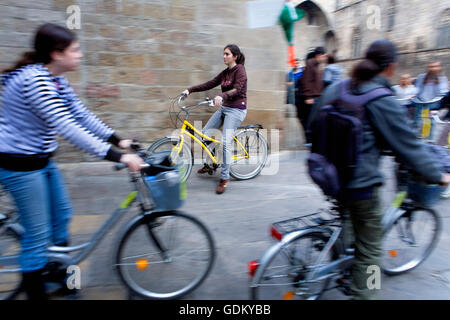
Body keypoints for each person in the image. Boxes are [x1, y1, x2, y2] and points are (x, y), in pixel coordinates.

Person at [0, 23, 143, 300]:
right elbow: (67, 127)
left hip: (40, 159)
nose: (79, 55)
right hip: (20, 165)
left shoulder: (55, 79)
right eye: (74, 50)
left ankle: (55, 275)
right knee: (37, 236)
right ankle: (36, 293)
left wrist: (118, 139)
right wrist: (117, 156)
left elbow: (81, 115)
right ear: (56, 54)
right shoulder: (35, 80)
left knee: (61, 216)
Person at [309, 39, 450, 300]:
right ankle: (367, 293)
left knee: (350, 223)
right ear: (391, 67)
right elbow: (410, 147)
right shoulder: (382, 99)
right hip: (359, 186)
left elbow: (313, 122)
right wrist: (439, 176)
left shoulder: (339, 87)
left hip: (327, 175)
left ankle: (344, 268)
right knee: (371, 251)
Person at [182, 44, 247, 195]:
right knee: (204, 134)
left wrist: (222, 96)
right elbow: (209, 84)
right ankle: (211, 163)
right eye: (223, 54)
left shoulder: (240, 70)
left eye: (227, 54)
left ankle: (224, 178)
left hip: (237, 110)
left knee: (225, 142)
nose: (224, 56)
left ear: (235, 56)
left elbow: (237, 89)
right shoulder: (225, 73)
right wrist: (189, 90)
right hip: (225, 108)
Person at [296, 46, 328, 141]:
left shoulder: (318, 65)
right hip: (311, 98)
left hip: (317, 97)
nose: (325, 58)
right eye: (324, 56)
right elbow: (307, 81)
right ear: (319, 55)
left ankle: (312, 138)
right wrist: (308, 96)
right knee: (310, 120)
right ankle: (308, 139)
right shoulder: (310, 63)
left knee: (314, 119)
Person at [413, 62, 449, 138]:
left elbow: (442, 92)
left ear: (439, 67)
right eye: (431, 66)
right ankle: (418, 139)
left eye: (435, 66)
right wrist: (415, 95)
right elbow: (418, 88)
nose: (433, 68)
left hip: (433, 103)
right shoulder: (421, 77)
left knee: (430, 121)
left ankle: (429, 140)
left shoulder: (442, 79)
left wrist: (438, 105)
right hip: (420, 102)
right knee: (418, 121)